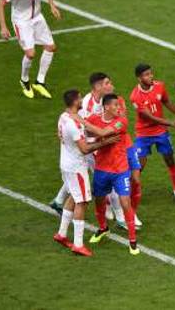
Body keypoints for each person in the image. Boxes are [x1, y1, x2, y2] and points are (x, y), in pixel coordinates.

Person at [54, 89, 120, 257]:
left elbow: (65, 135)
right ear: (76, 101)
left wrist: (101, 134)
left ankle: (61, 234)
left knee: (72, 197)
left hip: (66, 163)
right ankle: (78, 244)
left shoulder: (64, 116)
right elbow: (84, 149)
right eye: (80, 97)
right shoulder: (73, 123)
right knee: (82, 202)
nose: (82, 99)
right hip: (76, 166)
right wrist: (105, 143)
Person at [0, 0, 61, 99]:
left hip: (37, 18)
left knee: (51, 47)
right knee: (31, 54)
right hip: (22, 21)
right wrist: (3, 27)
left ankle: (40, 82)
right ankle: (24, 80)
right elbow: (0, 5)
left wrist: (52, 5)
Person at [85, 94, 140, 255]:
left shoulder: (121, 121)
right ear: (106, 107)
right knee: (99, 200)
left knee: (125, 202)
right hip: (101, 169)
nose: (119, 108)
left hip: (120, 170)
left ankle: (132, 240)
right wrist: (87, 129)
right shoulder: (95, 118)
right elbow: (89, 134)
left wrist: (83, 121)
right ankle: (103, 228)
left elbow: (101, 132)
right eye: (115, 105)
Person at [130, 63, 175, 202]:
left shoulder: (160, 86)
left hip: (160, 132)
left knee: (170, 160)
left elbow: (167, 102)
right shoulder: (135, 96)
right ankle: (129, 193)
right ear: (139, 78)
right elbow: (150, 118)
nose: (150, 76)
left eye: (151, 73)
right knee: (139, 166)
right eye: (146, 75)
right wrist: (172, 123)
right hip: (144, 134)